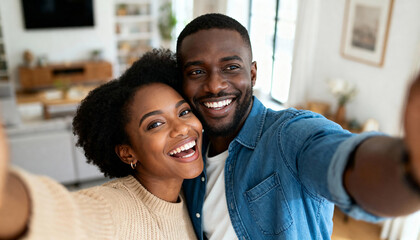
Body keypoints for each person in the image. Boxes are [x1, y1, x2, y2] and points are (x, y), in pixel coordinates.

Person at [176, 13, 420, 239]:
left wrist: (409, 168)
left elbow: (346, 163)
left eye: (231, 67)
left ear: (252, 74)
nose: (215, 85)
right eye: (197, 71)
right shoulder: (189, 156)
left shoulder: (289, 134)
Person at [0, 49, 203, 239]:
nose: (182, 128)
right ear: (127, 153)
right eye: (155, 124)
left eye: (184, 112)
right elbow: (54, 213)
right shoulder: (114, 207)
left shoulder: (194, 194)